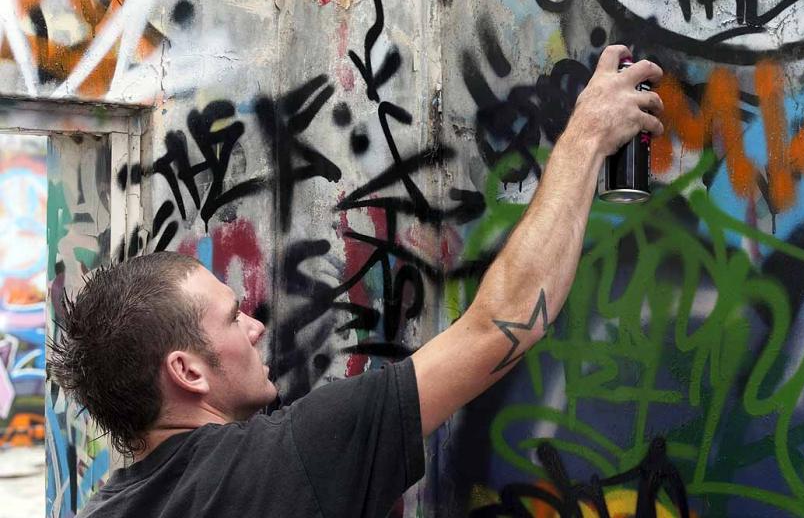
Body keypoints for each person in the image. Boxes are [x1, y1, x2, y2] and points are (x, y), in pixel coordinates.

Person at [49, 45, 665, 517]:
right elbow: (499, 327)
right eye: (233, 317)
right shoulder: (283, 461)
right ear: (188, 371)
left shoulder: (106, 506)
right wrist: (588, 135)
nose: (258, 326)